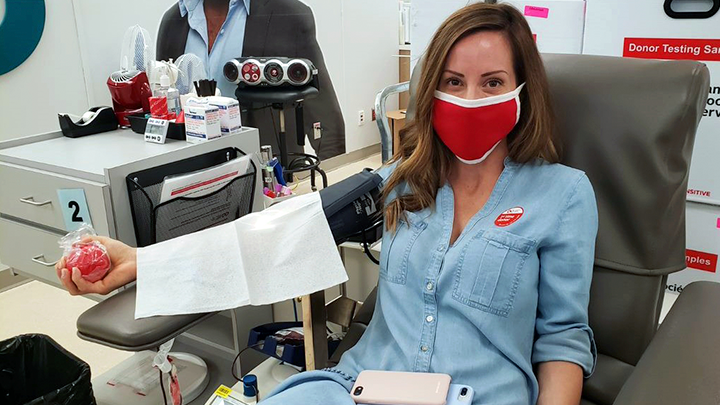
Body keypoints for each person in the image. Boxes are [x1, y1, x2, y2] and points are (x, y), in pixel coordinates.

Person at [57, 4, 597, 404]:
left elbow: (563, 342)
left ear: (522, 93)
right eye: (454, 82)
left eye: (493, 82)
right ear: (432, 91)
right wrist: (141, 262)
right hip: (365, 386)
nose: (470, 99)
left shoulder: (562, 195)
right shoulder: (402, 181)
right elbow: (281, 235)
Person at [156, 0, 346, 159]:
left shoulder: (287, 14)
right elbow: (163, 104)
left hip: (271, 177)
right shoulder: (173, 21)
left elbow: (322, 111)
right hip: (192, 174)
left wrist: (335, 187)